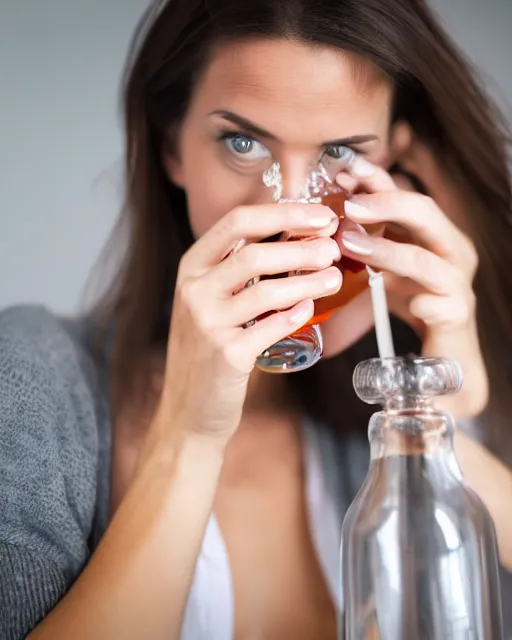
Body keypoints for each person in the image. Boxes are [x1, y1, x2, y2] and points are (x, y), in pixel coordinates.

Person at [1, 0, 512, 637]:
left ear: (396, 169)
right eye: (242, 143)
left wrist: (441, 420)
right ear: (172, 149)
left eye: (339, 156)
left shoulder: (402, 407)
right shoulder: (28, 381)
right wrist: (188, 438)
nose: (289, 210)